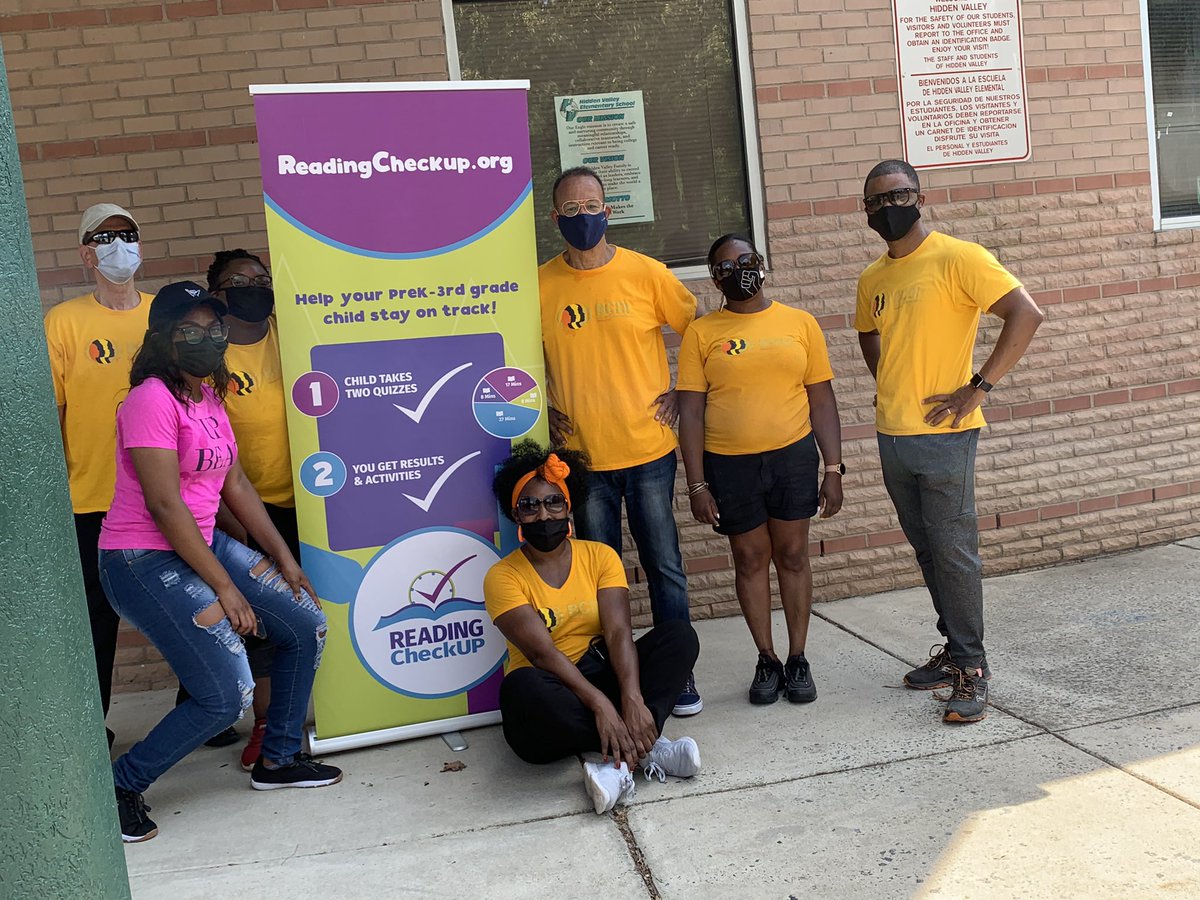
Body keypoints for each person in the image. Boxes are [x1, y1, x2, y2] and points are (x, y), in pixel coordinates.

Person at [99, 282, 341, 843]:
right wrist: (226, 589)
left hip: (201, 543)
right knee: (225, 695)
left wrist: (282, 559)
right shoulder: (150, 400)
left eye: (215, 330)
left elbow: (234, 482)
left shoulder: (207, 396)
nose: (207, 339)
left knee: (307, 622)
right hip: (143, 560)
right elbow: (163, 506)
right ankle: (121, 786)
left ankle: (278, 761)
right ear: (162, 338)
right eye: (191, 330)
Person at [854, 159, 1044, 724]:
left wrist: (977, 388)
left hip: (945, 437)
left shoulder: (960, 257)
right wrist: (889, 382)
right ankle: (954, 649)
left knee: (955, 552)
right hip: (893, 433)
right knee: (927, 549)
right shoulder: (873, 279)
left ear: (917, 197)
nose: (887, 208)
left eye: (897, 195)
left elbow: (1025, 314)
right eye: (875, 202)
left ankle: (973, 669)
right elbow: (868, 333)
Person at [538, 165, 702, 716]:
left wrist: (685, 392)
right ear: (555, 216)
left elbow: (700, 334)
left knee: (663, 565)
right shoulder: (539, 284)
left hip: (649, 450)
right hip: (581, 461)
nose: (582, 217)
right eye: (570, 209)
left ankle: (678, 675)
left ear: (608, 211)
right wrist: (541, 409)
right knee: (599, 576)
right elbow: (513, 359)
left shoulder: (647, 273)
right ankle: (610, 673)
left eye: (591, 206)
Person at [484, 441, 702, 814]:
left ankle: (621, 760)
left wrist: (631, 698)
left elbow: (618, 633)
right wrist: (601, 704)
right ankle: (645, 746)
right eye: (530, 506)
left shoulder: (600, 556)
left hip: (603, 672)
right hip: (553, 690)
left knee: (679, 636)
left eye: (553, 502)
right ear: (515, 514)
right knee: (521, 689)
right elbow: (542, 653)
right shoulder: (502, 576)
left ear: (569, 507)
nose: (543, 515)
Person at [677, 234, 844, 705]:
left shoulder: (800, 323)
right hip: (728, 465)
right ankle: (767, 658)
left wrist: (833, 467)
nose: (738, 271)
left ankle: (797, 658)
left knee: (792, 556)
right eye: (726, 266)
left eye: (745, 261)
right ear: (714, 278)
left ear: (762, 264)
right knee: (749, 559)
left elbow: (821, 398)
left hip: (792, 457)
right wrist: (696, 483)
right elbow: (690, 412)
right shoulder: (702, 332)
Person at [174, 249, 293, 768]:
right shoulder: (209, 359)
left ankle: (292, 718)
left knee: (299, 613)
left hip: (308, 500)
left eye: (259, 278)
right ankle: (263, 726)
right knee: (258, 621)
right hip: (237, 511)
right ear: (216, 295)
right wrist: (227, 518)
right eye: (237, 280)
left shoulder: (293, 336)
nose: (252, 285)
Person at [44, 203, 152, 748]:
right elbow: (51, 416)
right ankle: (94, 731)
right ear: (87, 254)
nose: (118, 246)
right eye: (105, 237)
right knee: (95, 622)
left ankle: (207, 708)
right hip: (94, 498)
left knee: (197, 603)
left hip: (173, 497)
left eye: (127, 234)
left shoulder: (167, 315)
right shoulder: (64, 322)